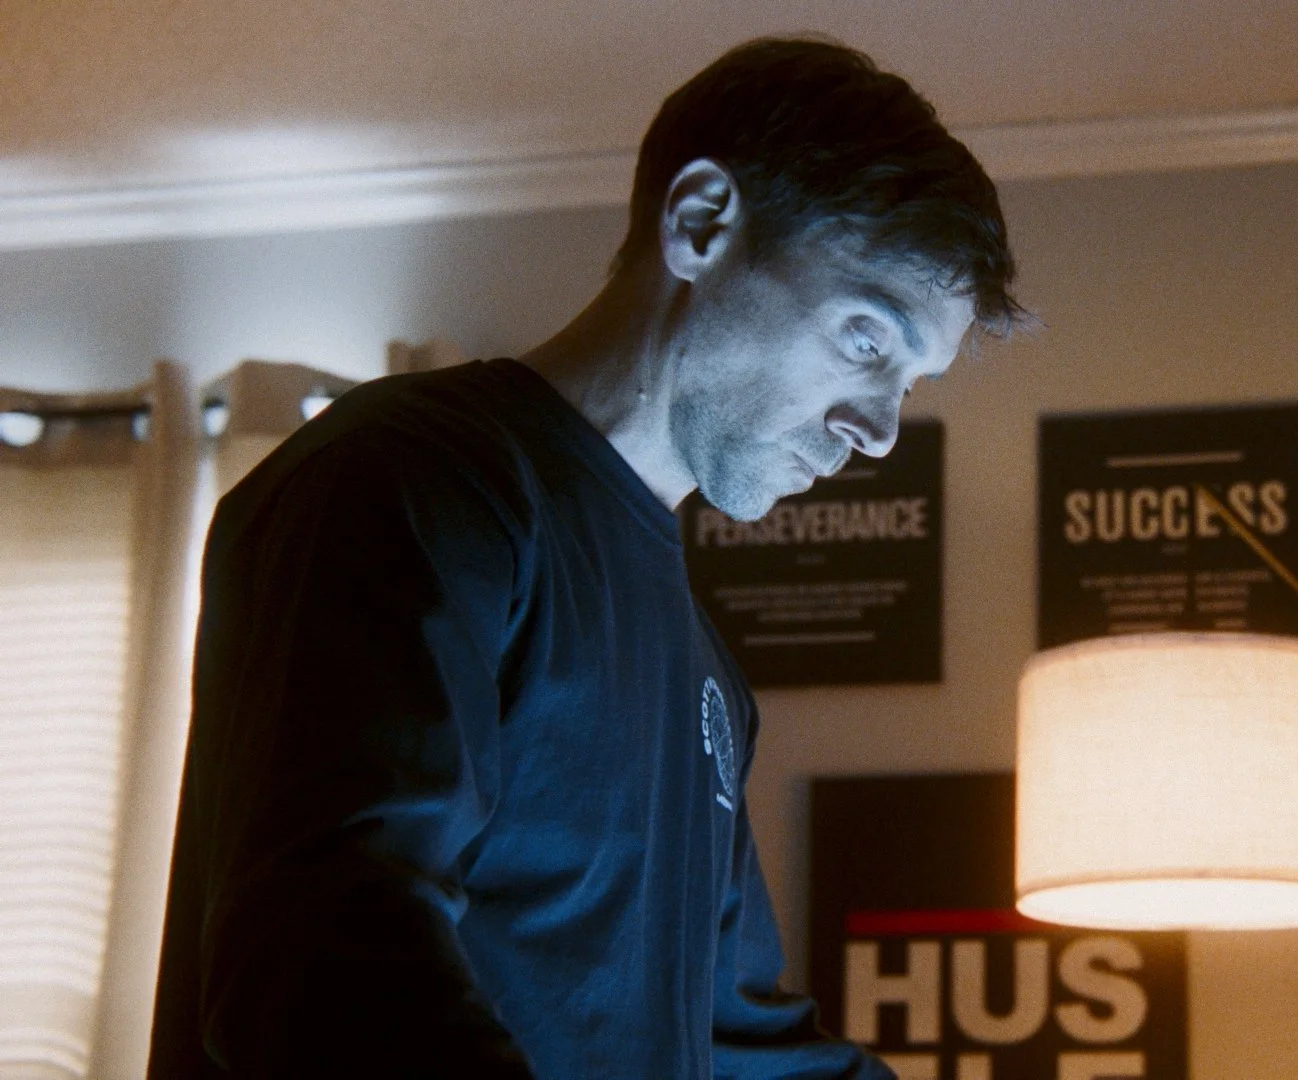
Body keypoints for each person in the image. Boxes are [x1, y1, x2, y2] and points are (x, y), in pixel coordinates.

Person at [148, 37, 1020, 1080]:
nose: (881, 430)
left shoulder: (706, 676)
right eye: (870, 340)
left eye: (910, 384)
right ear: (700, 224)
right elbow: (321, 954)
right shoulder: (410, 482)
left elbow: (741, 1041)